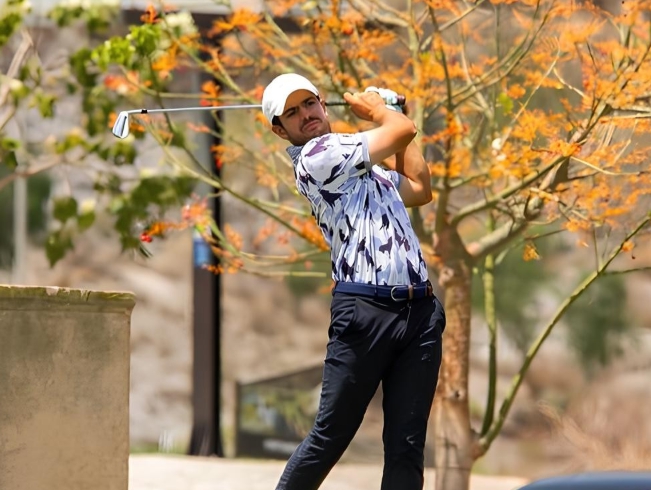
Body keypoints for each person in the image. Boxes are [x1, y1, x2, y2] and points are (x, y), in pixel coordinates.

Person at [261, 73, 446, 490]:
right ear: (280, 130)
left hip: (419, 313)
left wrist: (391, 112)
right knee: (331, 435)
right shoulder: (317, 156)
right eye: (292, 113)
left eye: (309, 103)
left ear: (323, 104)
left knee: (407, 446)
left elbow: (420, 187)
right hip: (364, 312)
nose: (306, 114)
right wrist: (381, 111)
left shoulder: (367, 169)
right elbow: (402, 132)